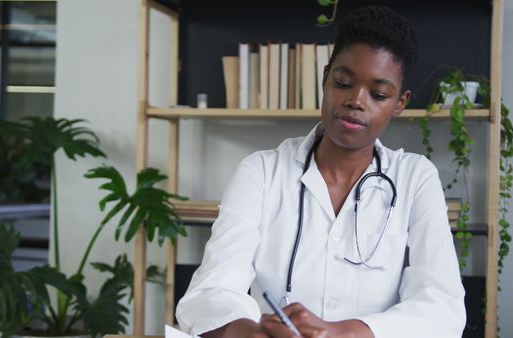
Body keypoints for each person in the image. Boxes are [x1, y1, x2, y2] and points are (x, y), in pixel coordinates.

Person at [176, 6, 466, 338]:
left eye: (379, 94)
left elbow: (443, 308)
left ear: (400, 103)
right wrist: (248, 332)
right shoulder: (262, 172)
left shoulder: (415, 179)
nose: (356, 101)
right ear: (326, 77)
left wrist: (345, 332)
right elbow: (210, 291)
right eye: (344, 82)